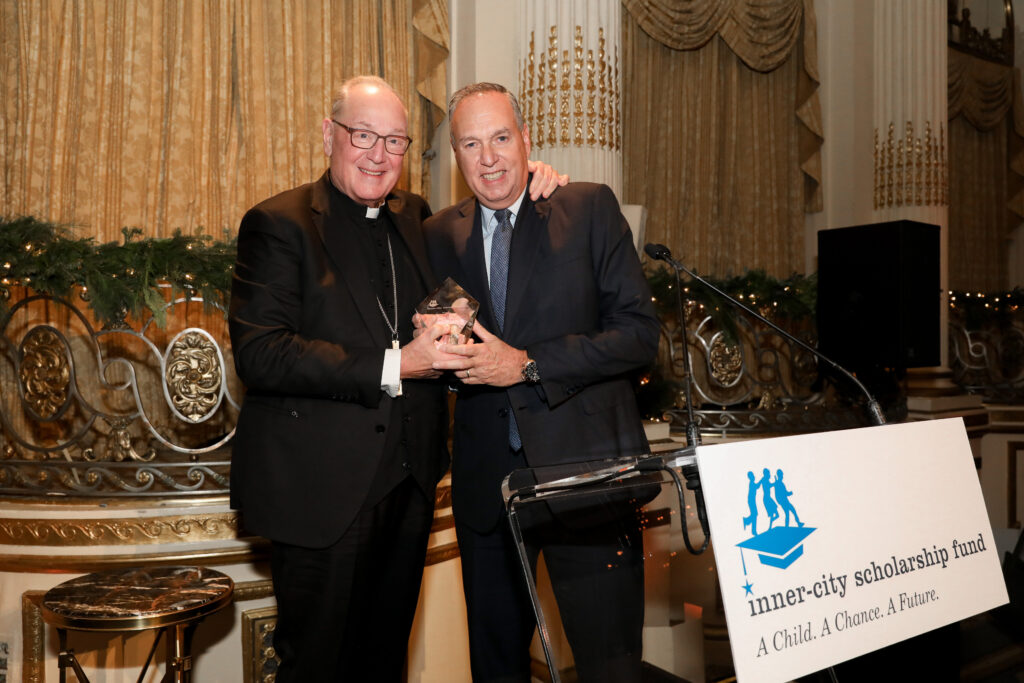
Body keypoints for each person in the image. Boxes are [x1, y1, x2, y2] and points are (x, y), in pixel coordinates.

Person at [229, 75, 563, 682]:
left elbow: (484, 250)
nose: (379, 155)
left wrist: (537, 183)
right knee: (318, 667)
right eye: (363, 136)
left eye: (395, 142)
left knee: (384, 663)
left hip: (408, 487)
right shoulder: (278, 223)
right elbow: (262, 354)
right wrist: (397, 363)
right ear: (329, 135)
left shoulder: (417, 219)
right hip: (321, 495)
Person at [422, 82, 660, 682]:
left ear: (526, 140)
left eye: (502, 138)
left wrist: (527, 364)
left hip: (586, 481)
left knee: (611, 669)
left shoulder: (586, 207)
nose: (490, 158)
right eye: (471, 144)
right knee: (496, 670)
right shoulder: (436, 236)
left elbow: (637, 335)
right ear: (456, 156)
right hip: (486, 496)